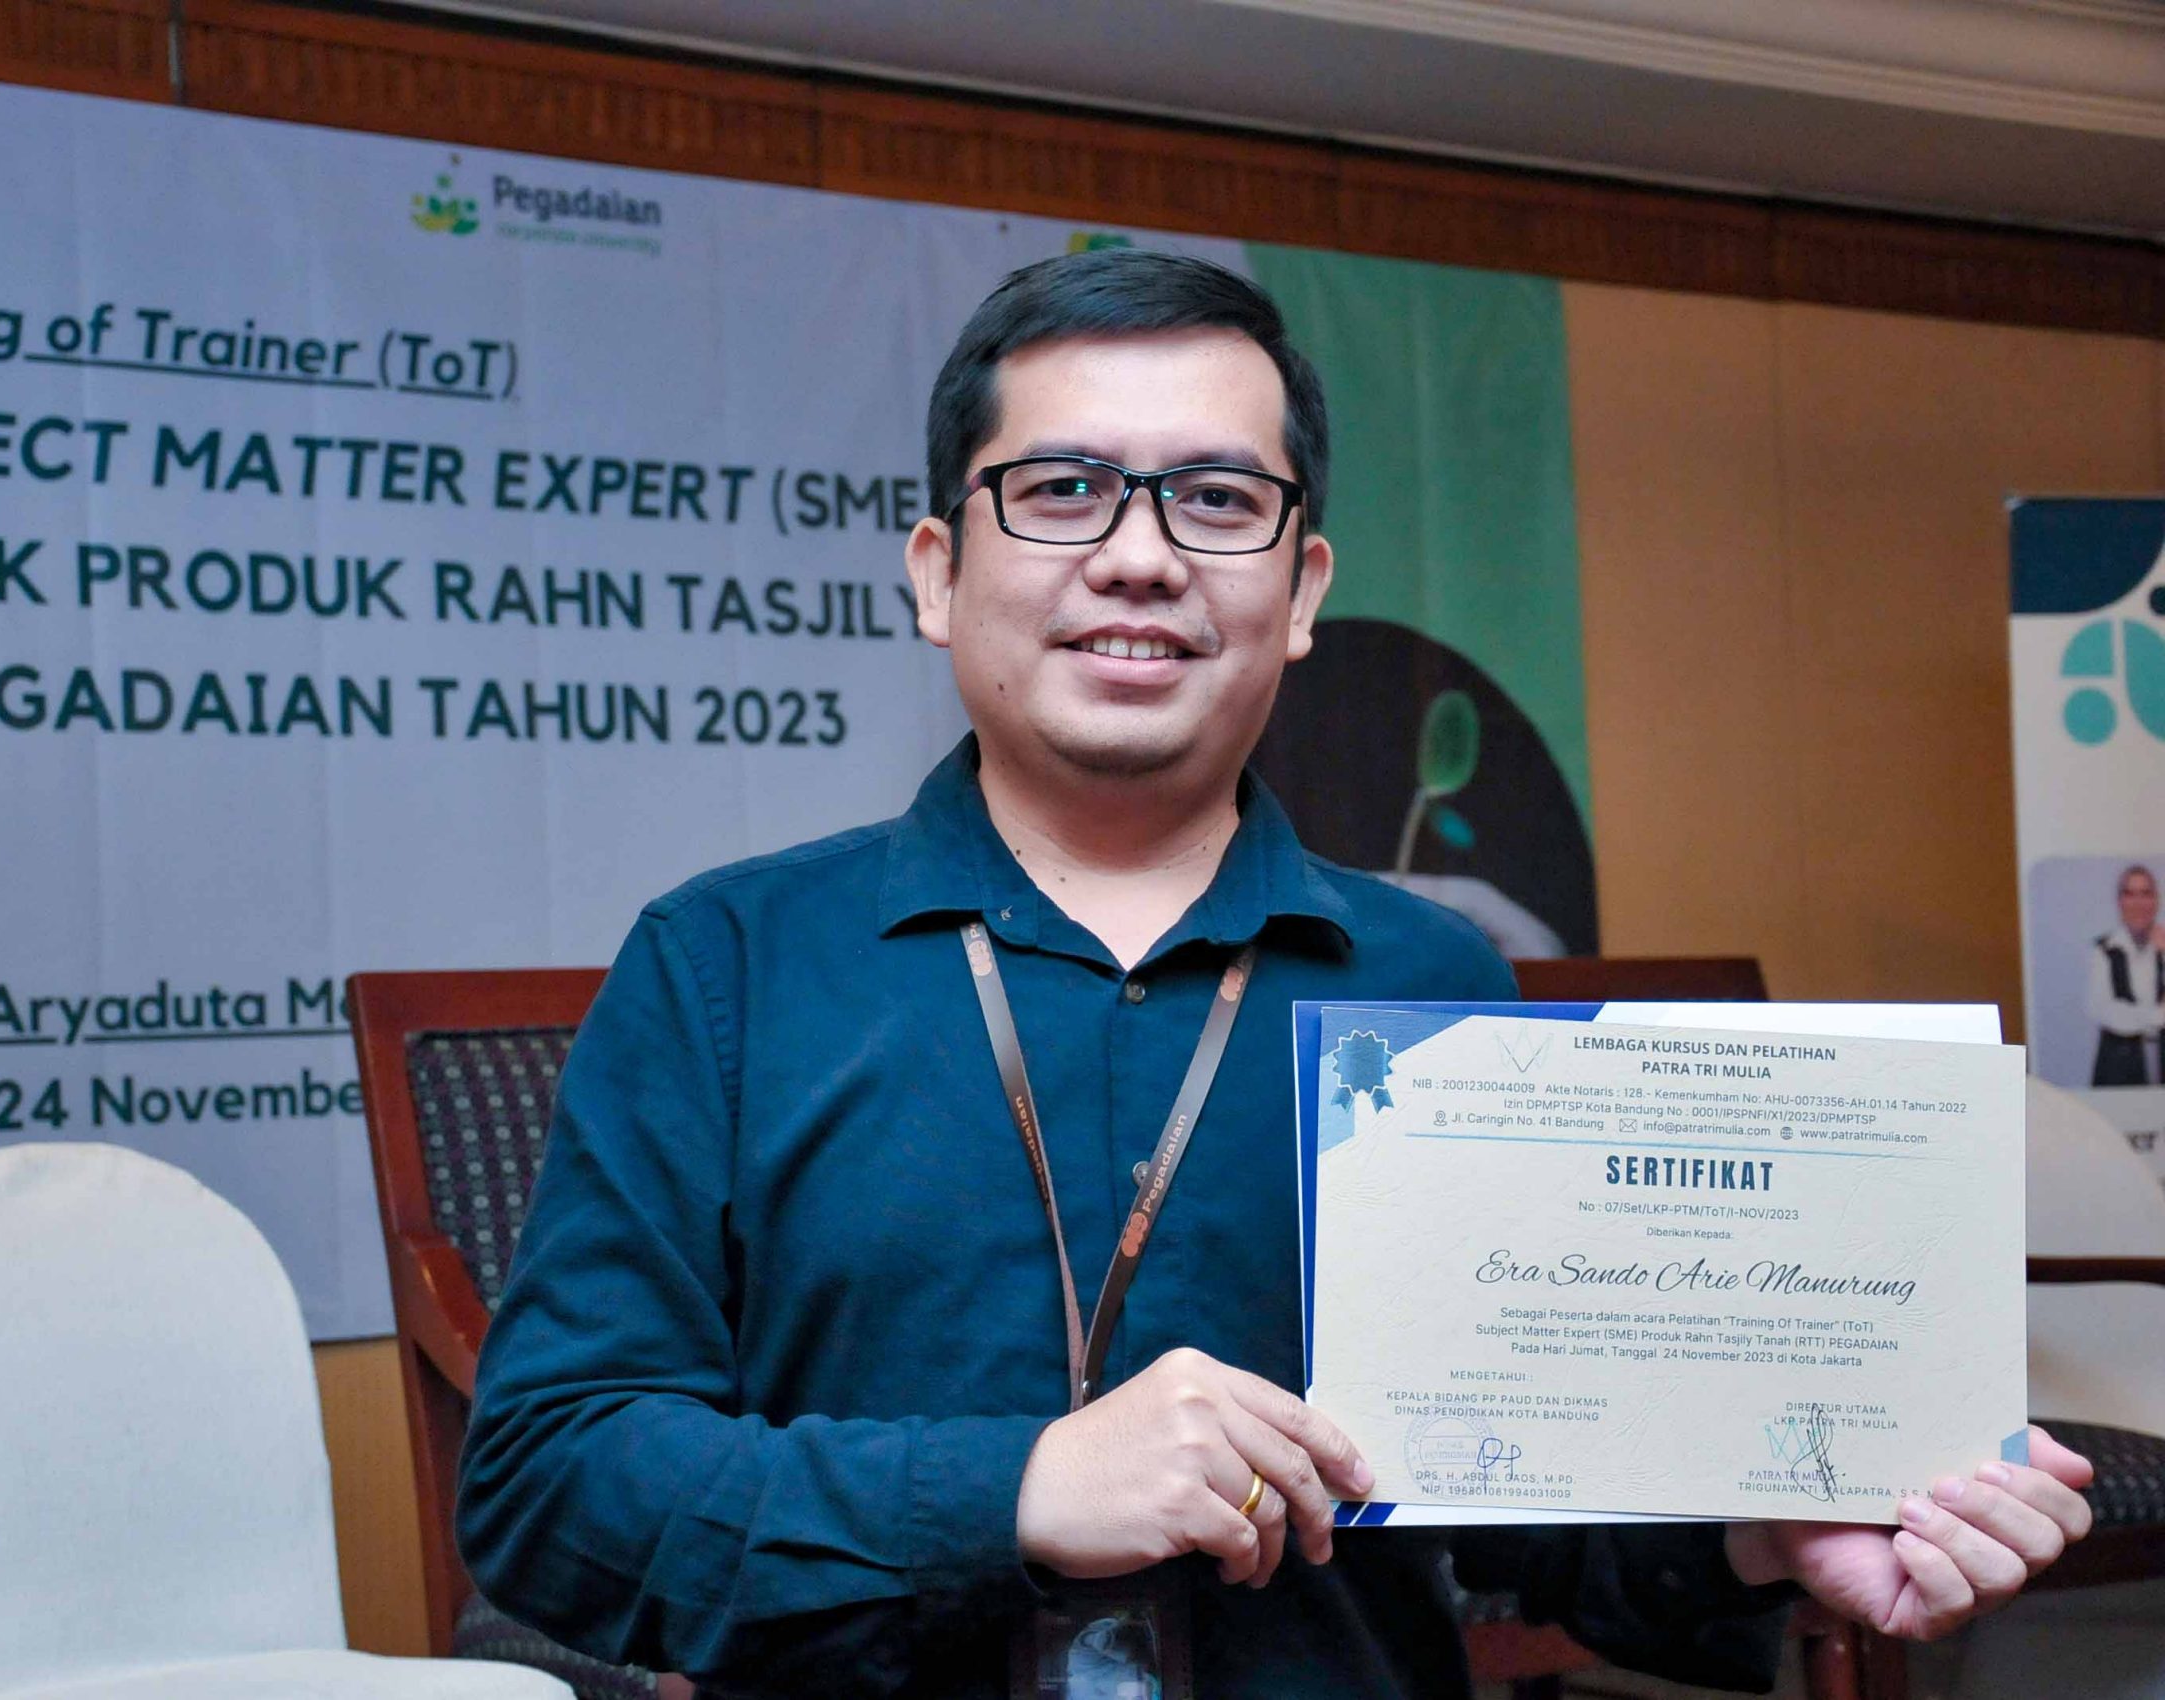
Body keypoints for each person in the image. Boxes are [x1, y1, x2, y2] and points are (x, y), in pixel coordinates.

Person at [457, 250, 2094, 1697]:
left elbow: (1530, 1513)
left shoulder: (1433, 981)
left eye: (1219, 501)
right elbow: (549, 1485)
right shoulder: (727, 966)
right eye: (1063, 490)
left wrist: (1761, 1534)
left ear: (1302, 589)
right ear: (939, 571)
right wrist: (1015, 1490)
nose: (1141, 557)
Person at [2089, 863, 2161, 1086]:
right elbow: (2104, 1010)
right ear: (2120, 902)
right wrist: (2157, 1016)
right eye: (2130, 894)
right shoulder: (2104, 949)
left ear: (2156, 901)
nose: (2138, 903)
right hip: (2118, 1068)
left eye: (2146, 894)